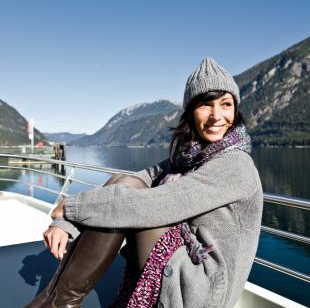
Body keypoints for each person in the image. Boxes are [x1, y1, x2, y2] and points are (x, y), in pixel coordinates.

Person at [25, 57, 263, 308]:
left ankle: (59, 303)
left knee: (127, 207)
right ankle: (57, 300)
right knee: (124, 183)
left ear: (235, 110)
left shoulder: (235, 164)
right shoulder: (191, 156)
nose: (217, 116)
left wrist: (73, 207)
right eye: (206, 105)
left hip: (201, 290)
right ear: (192, 112)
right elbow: (138, 179)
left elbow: (160, 203)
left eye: (226, 104)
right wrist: (66, 222)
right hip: (183, 259)